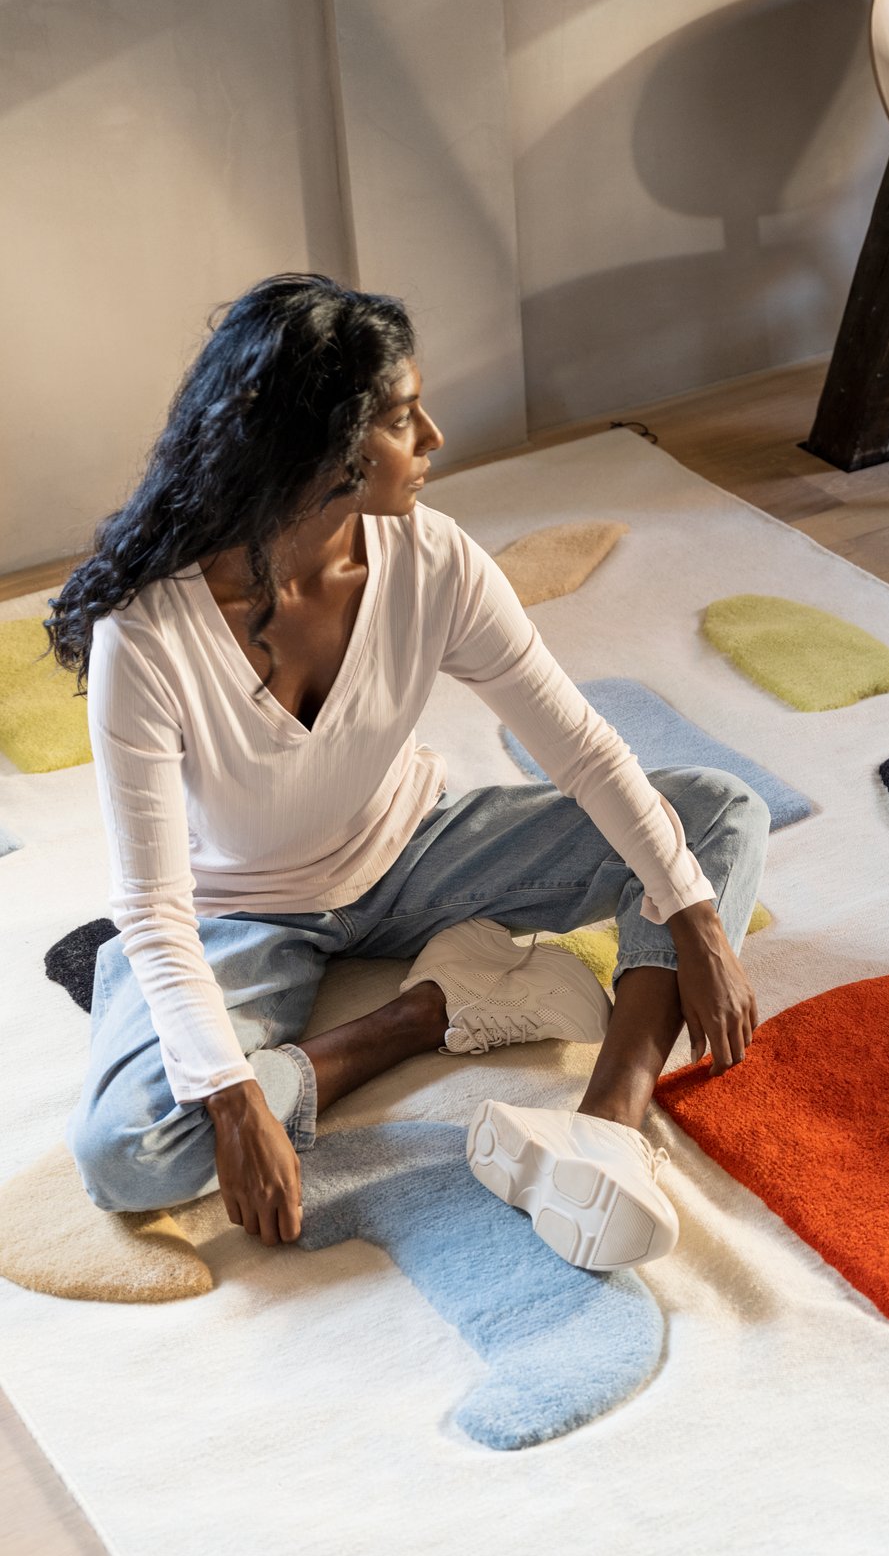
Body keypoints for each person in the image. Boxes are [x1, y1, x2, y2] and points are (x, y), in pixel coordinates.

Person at [44, 273, 769, 1271]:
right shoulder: (148, 633)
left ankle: (606, 1125)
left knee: (717, 813)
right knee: (125, 1153)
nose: (432, 436)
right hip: (239, 913)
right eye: (398, 418)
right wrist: (234, 1099)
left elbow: (578, 743)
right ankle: (421, 1013)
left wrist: (692, 915)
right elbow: (156, 910)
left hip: (415, 851)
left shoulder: (433, 559)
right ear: (314, 442)